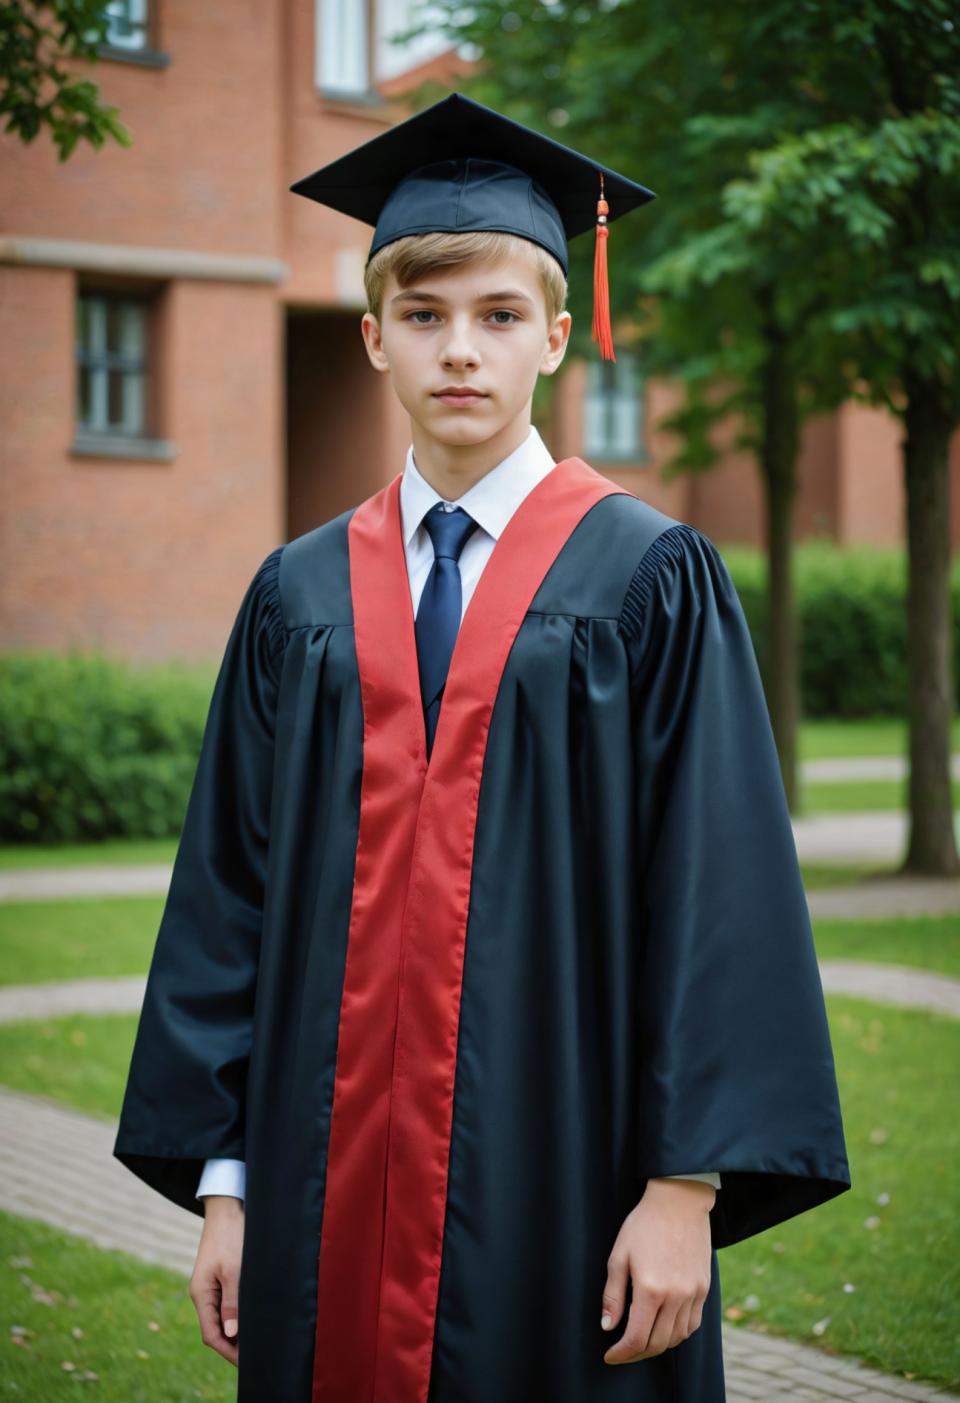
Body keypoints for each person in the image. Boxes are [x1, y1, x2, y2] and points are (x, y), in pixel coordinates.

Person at [113, 91, 851, 1403]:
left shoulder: (652, 579)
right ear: (375, 341)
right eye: (426, 316)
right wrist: (225, 1186)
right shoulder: (298, 600)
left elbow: (718, 896)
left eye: (501, 317)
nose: (463, 351)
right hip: (318, 1192)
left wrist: (685, 1191)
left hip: (568, 1180)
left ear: (559, 339)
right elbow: (227, 901)